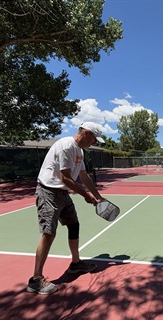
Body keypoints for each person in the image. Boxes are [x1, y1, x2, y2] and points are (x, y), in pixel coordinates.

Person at [26, 122, 105, 295]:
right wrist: (86, 196)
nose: (94, 143)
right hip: (48, 191)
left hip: (62, 194)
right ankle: (35, 280)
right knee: (49, 233)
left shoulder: (79, 151)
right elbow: (66, 179)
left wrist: (98, 196)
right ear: (85, 133)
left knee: (74, 225)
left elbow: (83, 176)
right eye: (93, 139)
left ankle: (75, 264)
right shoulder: (66, 145)